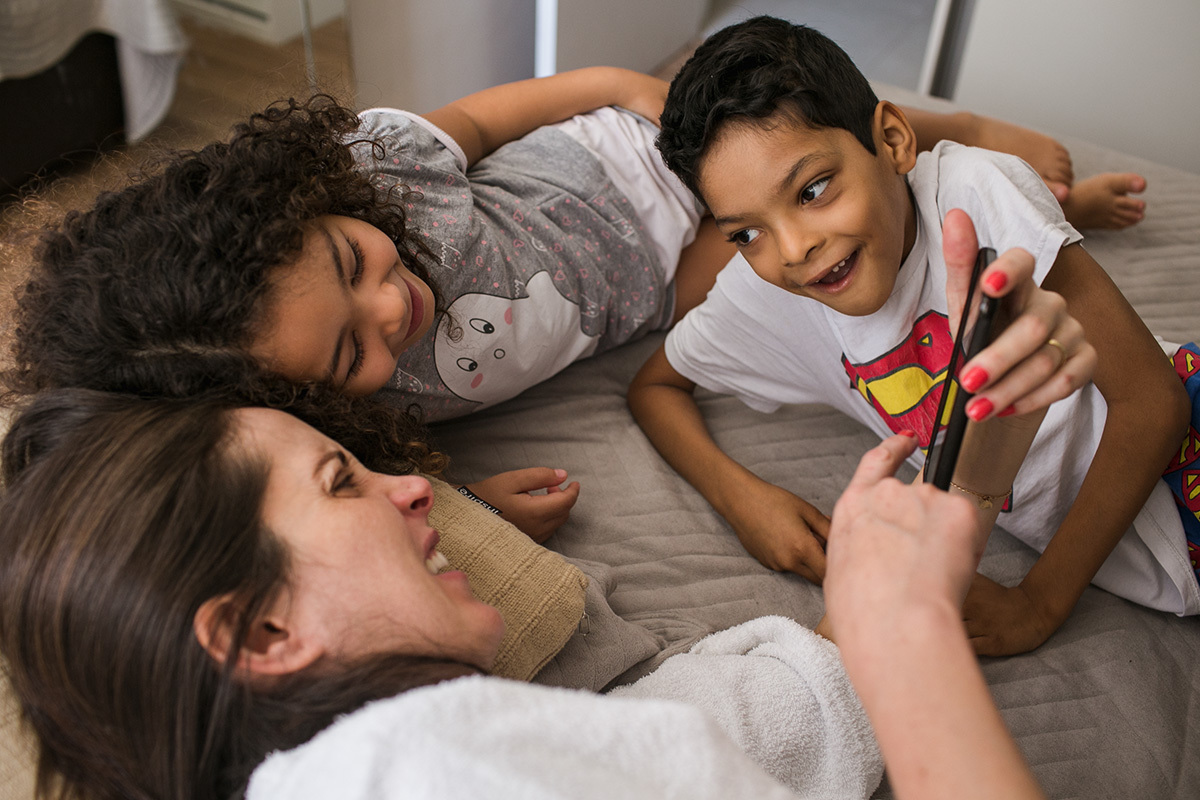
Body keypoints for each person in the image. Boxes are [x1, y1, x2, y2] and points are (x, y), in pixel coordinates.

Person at [4, 66, 1138, 540]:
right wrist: (472, 502)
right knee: (786, 252)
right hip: (650, 289)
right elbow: (374, 481)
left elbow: (505, 116)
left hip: (634, 164)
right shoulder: (308, 412)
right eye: (352, 350)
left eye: (358, 263)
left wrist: (639, 93)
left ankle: (969, 152)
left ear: (317, 201)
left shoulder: (377, 171)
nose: (392, 308)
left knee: (805, 151)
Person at [629, 16, 1196, 656]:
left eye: (814, 190)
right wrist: (742, 498)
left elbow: (1155, 401)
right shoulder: (767, 289)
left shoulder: (974, 193)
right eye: (746, 234)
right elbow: (655, 387)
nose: (794, 248)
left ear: (894, 142)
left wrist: (1039, 603)